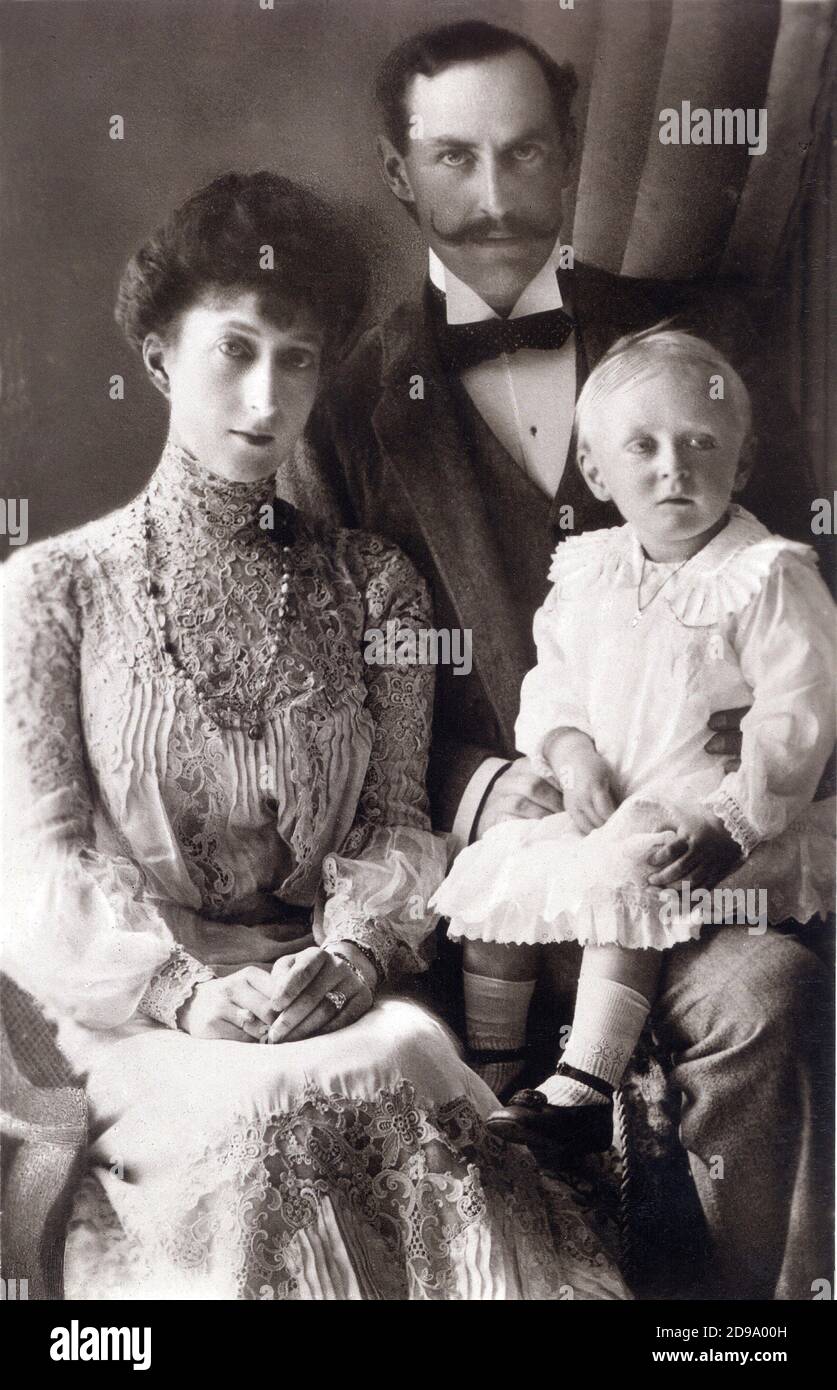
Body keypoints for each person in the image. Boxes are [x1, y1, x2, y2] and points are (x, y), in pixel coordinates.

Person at [1, 171, 629, 1301]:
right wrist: (186, 991)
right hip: (141, 1012)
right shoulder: (52, 591)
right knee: (259, 1120)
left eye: (298, 358)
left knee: (394, 1055)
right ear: (156, 358)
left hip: (332, 995)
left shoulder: (372, 589)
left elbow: (395, 822)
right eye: (233, 350)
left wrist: (354, 954)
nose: (267, 394)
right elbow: (33, 863)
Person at [282, 19, 834, 1299]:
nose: (492, 197)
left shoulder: (707, 343)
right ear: (398, 172)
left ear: (573, 149)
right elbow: (331, 698)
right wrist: (489, 782)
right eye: (454, 159)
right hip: (491, 876)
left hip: (700, 849)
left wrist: (740, 764)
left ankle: (737, 1326)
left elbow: (808, 608)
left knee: (771, 993)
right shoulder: (351, 404)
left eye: (525, 154)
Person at [433, 326, 835, 1152]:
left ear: (742, 462)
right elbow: (552, 682)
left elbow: (799, 712)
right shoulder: (590, 570)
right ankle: (498, 1079)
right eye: (642, 446)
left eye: (699, 443)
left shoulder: (764, 574)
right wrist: (570, 749)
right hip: (610, 804)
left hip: (712, 821)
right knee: (491, 879)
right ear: (595, 471)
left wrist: (733, 819)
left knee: (631, 867)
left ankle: (586, 1077)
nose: (673, 467)